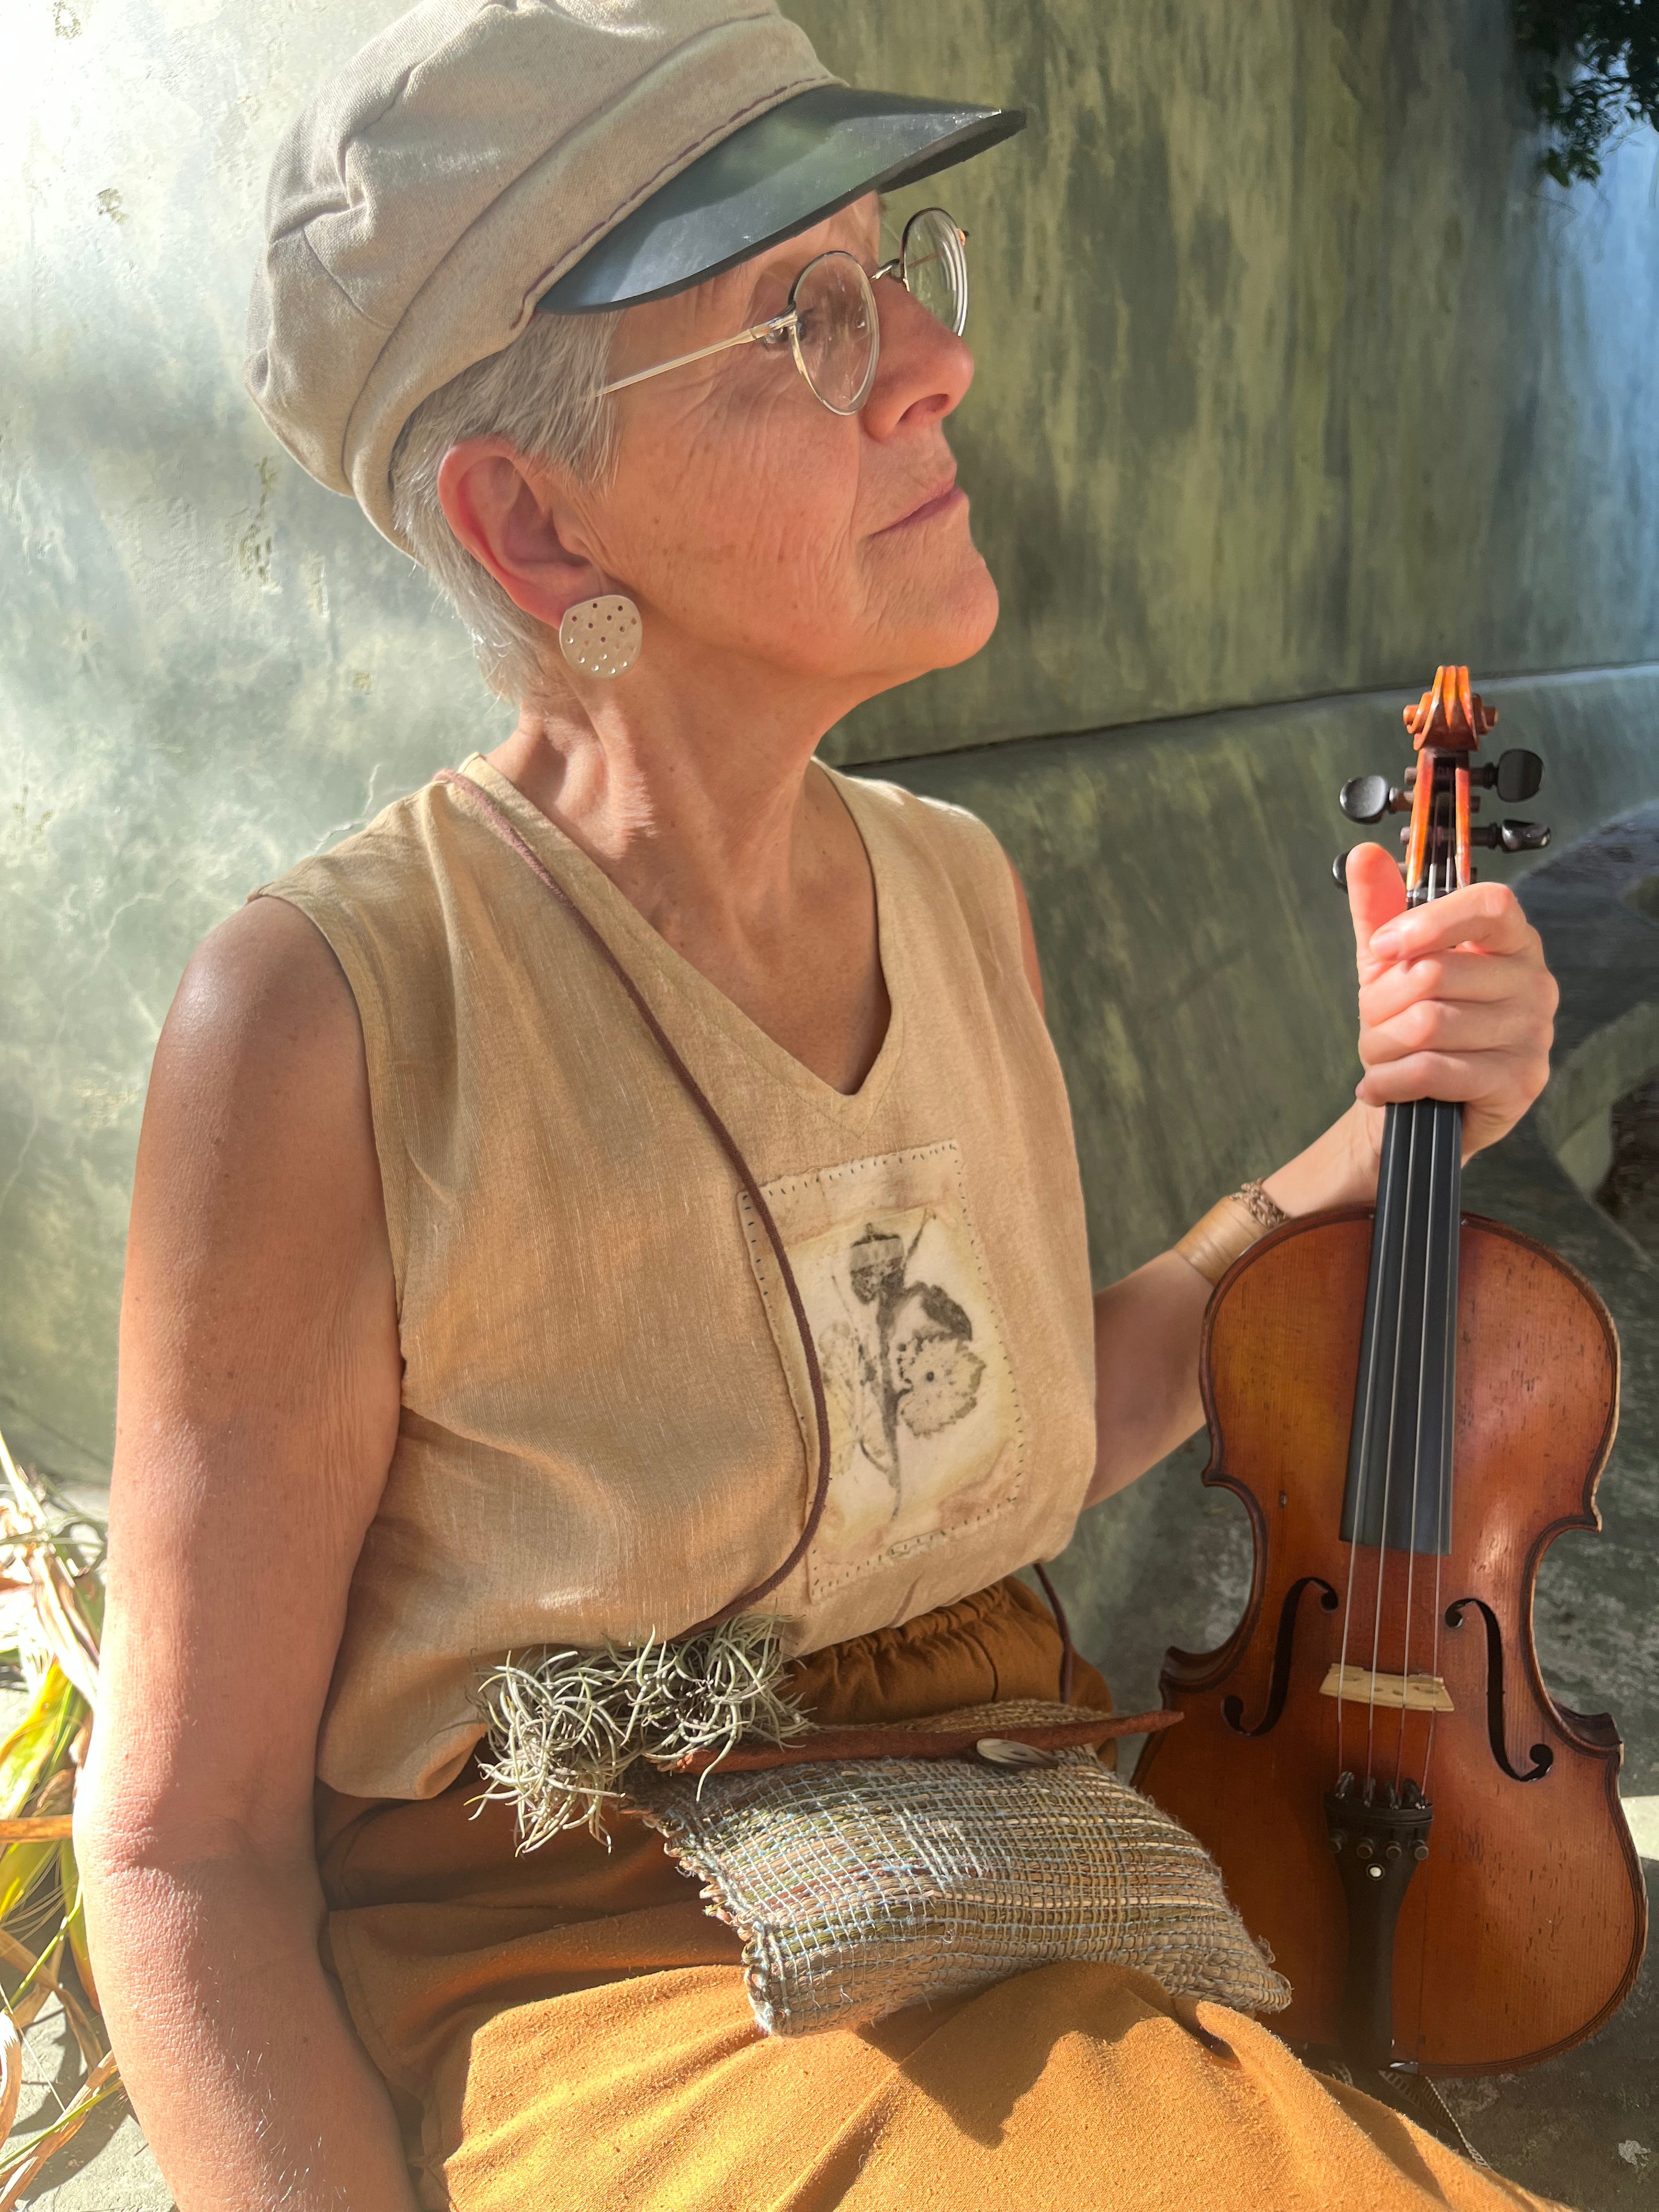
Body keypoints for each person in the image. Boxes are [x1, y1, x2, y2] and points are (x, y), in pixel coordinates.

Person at [76, 4, 1562, 2208]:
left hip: (999, 1866)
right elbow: (182, 1854)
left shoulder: (956, 891)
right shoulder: (333, 1018)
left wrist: (1391, 1127)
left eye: (895, 272)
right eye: (803, 318)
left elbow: (1004, 1423)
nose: (937, 363)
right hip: (608, 1974)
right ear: (530, 520)